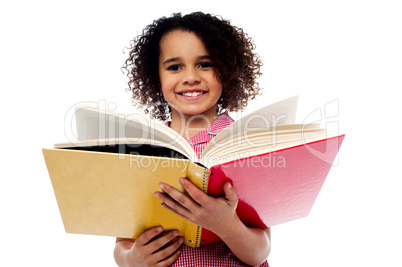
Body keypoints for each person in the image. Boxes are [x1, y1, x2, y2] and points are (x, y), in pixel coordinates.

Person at [114, 12, 271, 267]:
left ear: (227, 71)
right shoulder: (141, 148)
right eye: (175, 67)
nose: (190, 77)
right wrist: (132, 259)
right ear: (156, 76)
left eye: (205, 64)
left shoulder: (245, 142)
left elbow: (260, 251)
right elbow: (122, 242)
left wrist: (226, 226)